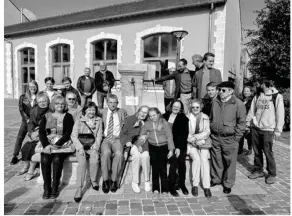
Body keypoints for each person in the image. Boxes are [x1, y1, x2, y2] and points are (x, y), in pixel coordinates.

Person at [209, 81, 246, 194]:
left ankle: (228, 183)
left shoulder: (238, 104)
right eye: (219, 89)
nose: (220, 92)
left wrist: (236, 138)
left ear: (231, 91)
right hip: (215, 137)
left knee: (230, 162)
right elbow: (211, 118)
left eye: (223, 90)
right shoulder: (215, 102)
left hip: (230, 139)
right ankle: (216, 179)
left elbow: (242, 123)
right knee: (217, 160)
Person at [247, 80, 284, 184]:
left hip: (268, 129)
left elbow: (280, 113)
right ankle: (258, 170)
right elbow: (252, 110)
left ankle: (272, 173)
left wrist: (278, 130)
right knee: (257, 151)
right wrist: (248, 123)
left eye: (260, 83)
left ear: (265, 84)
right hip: (256, 128)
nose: (257, 85)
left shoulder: (276, 96)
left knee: (268, 152)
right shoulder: (257, 95)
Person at [39, 96, 74, 199]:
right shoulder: (47, 116)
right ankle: (46, 188)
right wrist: (46, 145)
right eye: (58, 104)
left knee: (57, 159)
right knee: (45, 159)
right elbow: (41, 132)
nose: (60, 106)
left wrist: (58, 144)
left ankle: (55, 188)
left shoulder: (68, 116)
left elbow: (68, 133)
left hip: (62, 144)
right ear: (54, 105)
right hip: (48, 143)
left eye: (63, 104)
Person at [138, 108, 175, 202]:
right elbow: (142, 135)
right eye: (150, 116)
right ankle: (155, 190)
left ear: (158, 114)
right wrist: (140, 144)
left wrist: (171, 149)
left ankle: (165, 191)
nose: (152, 117)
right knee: (155, 169)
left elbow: (169, 136)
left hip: (163, 147)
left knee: (163, 169)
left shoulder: (164, 123)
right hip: (153, 147)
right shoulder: (147, 124)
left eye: (154, 115)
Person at [71, 102, 103, 202]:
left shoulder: (98, 120)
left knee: (94, 160)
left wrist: (96, 147)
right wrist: (80, 148)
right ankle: (79, 188)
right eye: (89, 110)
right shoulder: (79, 120)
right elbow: (74, 136)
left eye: (93, 110)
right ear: (85, 110)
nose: (91, 112)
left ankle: (93, 180)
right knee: (82, 164)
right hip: (81, 145)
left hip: (92, 145)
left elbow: (99, 135)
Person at [18, 92, 50, 181]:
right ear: (37, 102)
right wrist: (31, 133)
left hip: (46, 135)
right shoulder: (34, 111)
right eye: (40, 102)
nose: (43, 103)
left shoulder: (50, 111)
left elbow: (51, 125)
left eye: (45, 101)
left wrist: (41, 132)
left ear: (48, 101)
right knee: (25, 146)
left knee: (33, 147)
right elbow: (31, 123)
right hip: (36, 134)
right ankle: (27, 165)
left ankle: (31, 170)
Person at [100, 94, 127, 193]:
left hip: (117, 138)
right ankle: (106, 180)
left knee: (119, 154)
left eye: (115, 102)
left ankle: (114, 180)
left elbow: (128, 122)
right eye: (110, 102)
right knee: (106, 153)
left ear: (117, 103)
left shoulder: (122, 112)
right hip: (106, 138)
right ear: (107, 103)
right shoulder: (102, 111)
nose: (113, 104)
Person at [120, 105, 151, 193]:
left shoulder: (148, 122)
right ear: (138, 111)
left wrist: (142, 145)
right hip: (132, 143)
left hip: (144, 144)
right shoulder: (130, 119)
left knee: (145, 156)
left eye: (146, 113)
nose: (143, 114)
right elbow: (123, 134)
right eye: (142, 111)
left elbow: (149, 136)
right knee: (136, 156)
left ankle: (147, 181)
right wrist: (126, 142)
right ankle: (135, 182)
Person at [162, 100, 189, 197]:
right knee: (172, 160)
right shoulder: (164, 116)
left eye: (178, 106)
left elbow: (183, 135)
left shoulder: (184, 119)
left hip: (179, 145)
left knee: (180, 162)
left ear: (181, 108)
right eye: (174, 106)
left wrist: (177, 147)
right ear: (171, 106)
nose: (176, 108)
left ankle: (182, 184)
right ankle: (171, 185)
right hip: (165, 144)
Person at [187, 99, 212, 198]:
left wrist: (196, 138)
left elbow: (207, 132)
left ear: (200, 107)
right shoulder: (187, 117)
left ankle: (206, 186)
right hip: (191, 143)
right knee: (196, 159)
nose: (195, 109)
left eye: (197, 107)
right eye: (193, 107)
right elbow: (185, 132)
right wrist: (191, 139)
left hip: (203, 142)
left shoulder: (205, 117)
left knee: (204, 160)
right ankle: (195, 185)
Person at [10, 80, 39, 165]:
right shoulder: (23, 97)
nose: (32, 88)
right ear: (28, 87)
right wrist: (27, 119)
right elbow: (21, 109)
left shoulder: (39, 96)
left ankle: (34, 157)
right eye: (30, 86)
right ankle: (15, 156)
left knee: (34, 138)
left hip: (35, 122)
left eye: (34, 86)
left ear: (36, 87)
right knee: (20, 137)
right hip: (25, 121)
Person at [238, 86, 254, 155]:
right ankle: (240, 149)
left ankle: (250, 148)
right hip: (240, 120)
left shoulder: (253, 100)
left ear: (250, 92)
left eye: (247, 91)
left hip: (248, 120)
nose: (245, 92)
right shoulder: (241, 100)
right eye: (244, 91)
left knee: (248, 135)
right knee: (240, 135)